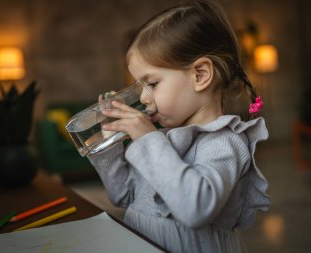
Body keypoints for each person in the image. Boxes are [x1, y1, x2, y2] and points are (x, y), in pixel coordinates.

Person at [88, 1, 270, 252]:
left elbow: (195, 209)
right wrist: (109, 148)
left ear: (200, 75)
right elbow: (124, 196)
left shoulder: (224, 142)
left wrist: (147, 139)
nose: (143, 98)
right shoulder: (164, 136)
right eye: (140, 87)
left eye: (152, 83)